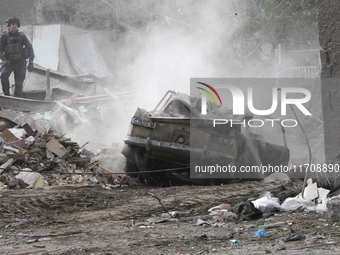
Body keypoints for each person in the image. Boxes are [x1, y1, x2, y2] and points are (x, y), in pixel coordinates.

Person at [0, 17, 34, 98]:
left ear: (18, 26)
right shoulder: (4, 36)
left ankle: (18, 99)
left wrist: (31, 61)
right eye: (12, 24)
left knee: (19, 84)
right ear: (9, 25)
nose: (14, 26)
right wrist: (4, 59)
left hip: (19, 62)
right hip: (8, 62)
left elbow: (30, 48)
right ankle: (6, 95)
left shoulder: (22, 36)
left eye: (15, 24)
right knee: (3, 75)